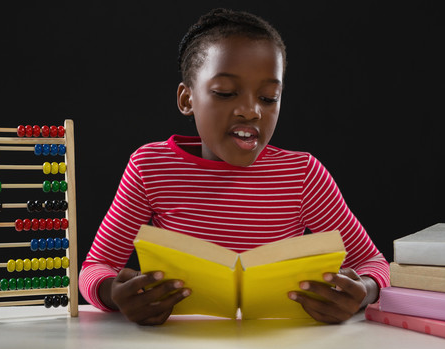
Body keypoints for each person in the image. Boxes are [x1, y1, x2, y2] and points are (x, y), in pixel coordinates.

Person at [79, 8, 390, 326]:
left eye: (269, 98)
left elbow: (373, 262)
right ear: (187, 99)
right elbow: (96, 266)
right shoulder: (151, 167)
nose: (251, 111)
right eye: (226, 93)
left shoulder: (302, 175)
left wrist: (362, 292)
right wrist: (113, 294)